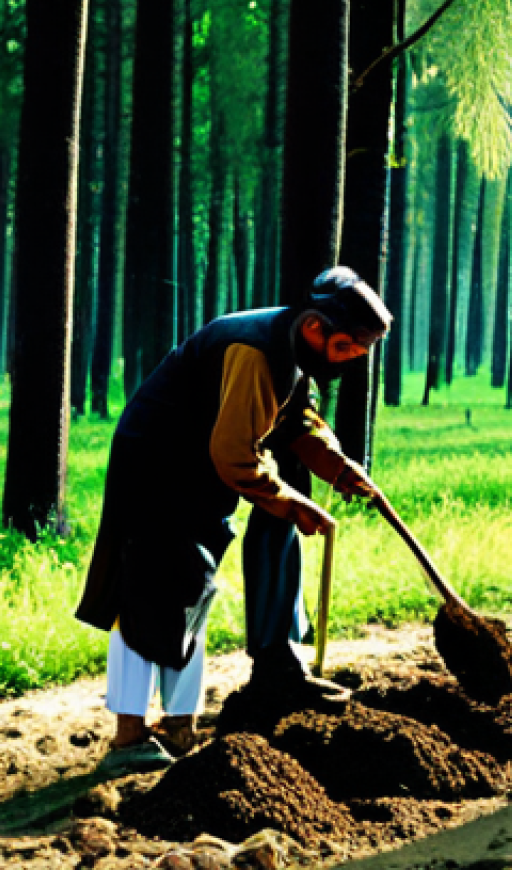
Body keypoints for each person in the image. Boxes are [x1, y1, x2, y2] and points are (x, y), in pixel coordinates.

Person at [76, 267, 391, 770]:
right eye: (348, 347)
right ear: (317, 328)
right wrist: (291, 503)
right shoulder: (254, 351)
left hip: (196, 473)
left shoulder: (292, 348)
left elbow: (298, 421)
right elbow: (236, 455)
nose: (352, 359)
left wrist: (339, 469)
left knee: (192, 589)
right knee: (143, 598)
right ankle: (128, 739)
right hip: (157, 467)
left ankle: (179, 725)